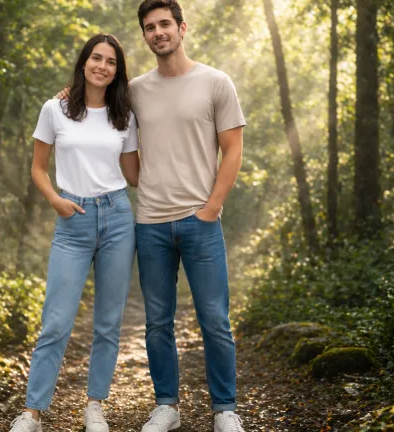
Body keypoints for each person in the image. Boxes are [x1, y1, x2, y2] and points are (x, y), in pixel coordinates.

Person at [8, 33, 140, 432]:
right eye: (96, 58)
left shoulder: (125, 115)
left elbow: (134, 175)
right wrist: (55, 200)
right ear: (84, 63)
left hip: (118, 217)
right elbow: (37, 167)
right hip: (73, 217)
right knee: (56, 320)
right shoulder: (56, 108)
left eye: (111, 62)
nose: (102, 66)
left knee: (108, 322)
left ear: (118, 71)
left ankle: (95, 407)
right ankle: (32, 412)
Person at [127, 1, 247, 431]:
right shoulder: (136, 89)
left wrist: (211, 207)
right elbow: (96, 102)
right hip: (151, 224)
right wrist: (68, 95)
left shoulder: (216, 82)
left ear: (181, 27)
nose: (157, 32)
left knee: (214, 319)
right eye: (149, 27)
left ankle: (225, 410)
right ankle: (167, 407)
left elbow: (232, 150)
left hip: (202, 222)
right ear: (144, 36)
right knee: (157, 321)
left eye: (164, 24)